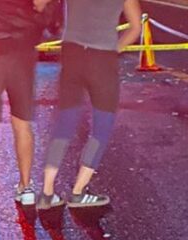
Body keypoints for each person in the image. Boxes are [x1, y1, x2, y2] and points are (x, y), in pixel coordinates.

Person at [39, 0, 142, 210]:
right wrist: (116, 49)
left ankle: (47, 192)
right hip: (102, 58)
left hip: (72, 53)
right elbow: (135, 28)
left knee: (64, 124)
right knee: (101, 127)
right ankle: (78, 192)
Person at [0, 0, 59, 216]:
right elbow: (45, 5)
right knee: (22, 123)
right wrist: (35, 26)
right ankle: (26, 187)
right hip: (22, 49)